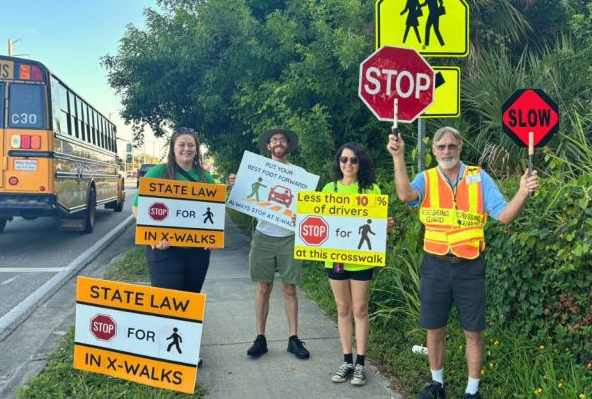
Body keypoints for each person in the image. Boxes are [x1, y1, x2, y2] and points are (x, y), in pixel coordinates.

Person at [386, 126, 539, 399]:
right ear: (434, 151)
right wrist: (398, 157)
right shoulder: (427, 178)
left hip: (470, 266)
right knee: (435, 328)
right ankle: (437, 385)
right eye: (441, 146)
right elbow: (406, 196)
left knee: (473, 331)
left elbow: (504, 216)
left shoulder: (478, 177)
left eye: (452, 146)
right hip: (435, 264)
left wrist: (522, 192)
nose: (447, 151)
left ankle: (472, 391)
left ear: (460, 148)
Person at [228, 127, 310, 360]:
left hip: (289, 236)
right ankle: (260, 338)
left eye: (282, 140)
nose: (278, 143)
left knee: (289, 288)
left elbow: (307, 207)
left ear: (288, 145)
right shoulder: (256, 170)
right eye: (274, 140)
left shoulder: (299, 174)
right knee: (263, 287)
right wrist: (236, 184)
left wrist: (302, 215)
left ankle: (293, 338)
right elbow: (245, 195)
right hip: (263, 234)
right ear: (268, 146)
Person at [323, 142, 393, 387]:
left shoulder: (372, 190)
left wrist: (385, 224)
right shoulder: (329, 188)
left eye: (354, 160)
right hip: (335, 258)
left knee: (360, 310)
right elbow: (319, 218)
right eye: (344, 159)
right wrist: (300, 218)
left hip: (362, 258)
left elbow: (377, 222)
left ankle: (361, 363)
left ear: (361, 163)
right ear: (338, 162)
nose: (348, 164)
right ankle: (347, 361)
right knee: (343, 309)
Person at [132, 127, 216, 293]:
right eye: (182, 145)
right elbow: (136, 207)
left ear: (196, 149)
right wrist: (153, 234)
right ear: (173, 148)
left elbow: (213, 212)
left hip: (197, 253)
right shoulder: (158, 172)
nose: (187, 149)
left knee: (189, 302)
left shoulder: (205, 177)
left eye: (191, 145)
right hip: (164, 250)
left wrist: (211, 237)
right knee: (167, 303)